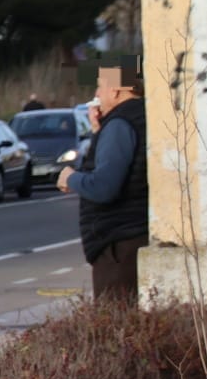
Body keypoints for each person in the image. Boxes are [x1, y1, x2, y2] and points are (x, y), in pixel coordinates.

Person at [57, 57, 147, 303]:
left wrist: (71, 177)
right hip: (137, 233)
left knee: (117, 327)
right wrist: (99, 132)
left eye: (99, 86)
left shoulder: (119, 124)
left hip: (118, 243)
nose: (96, 94)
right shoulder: (142, 116)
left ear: (116, 89)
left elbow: (104, 187)